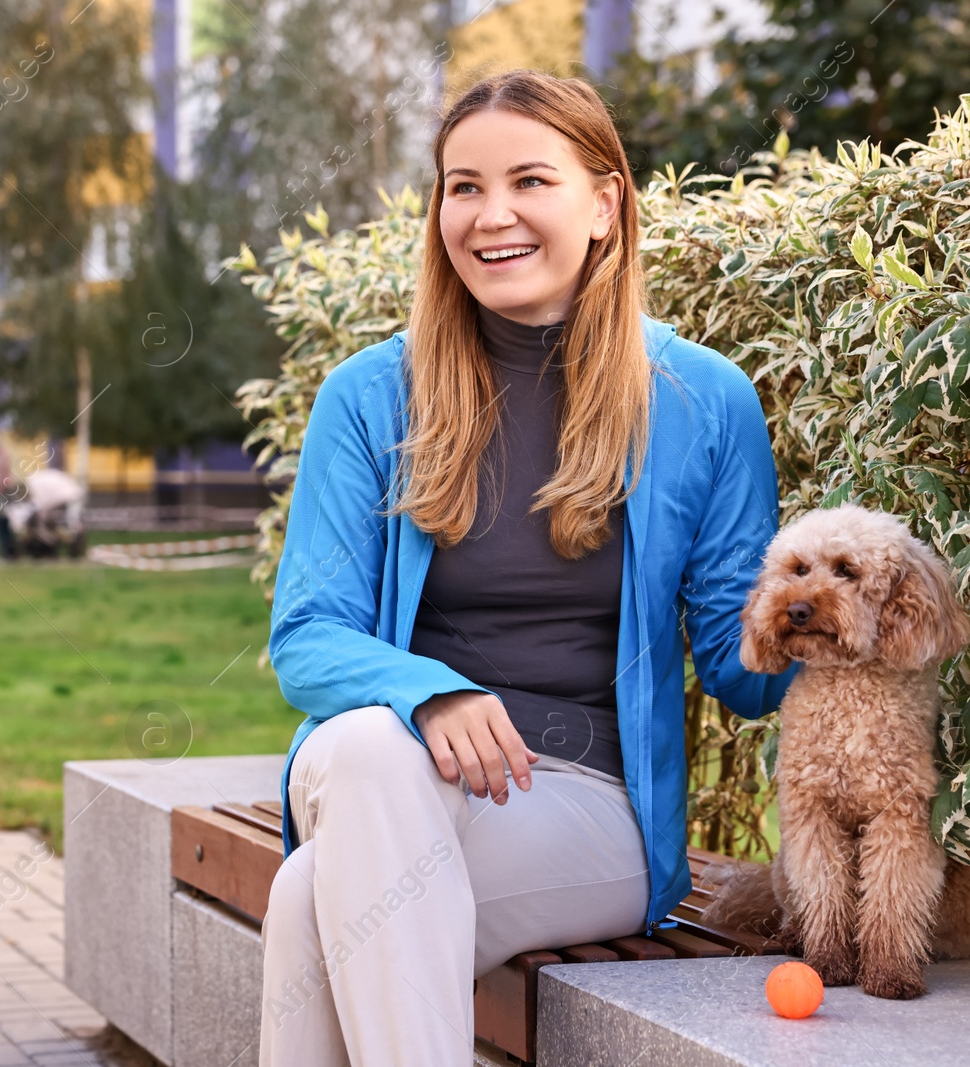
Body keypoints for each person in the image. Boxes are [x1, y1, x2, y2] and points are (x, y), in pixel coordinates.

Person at [259, 70, 801, 1066]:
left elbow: (742, 663)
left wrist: (846, 615)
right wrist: (431, 692)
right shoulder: (371, 397)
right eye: (461, 186)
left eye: (527, 181)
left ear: (603, 204)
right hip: (392, 772)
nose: (489, 214)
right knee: (373, 751)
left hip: (586, 805)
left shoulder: (700, 399)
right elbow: (307, 638)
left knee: (308, 894)